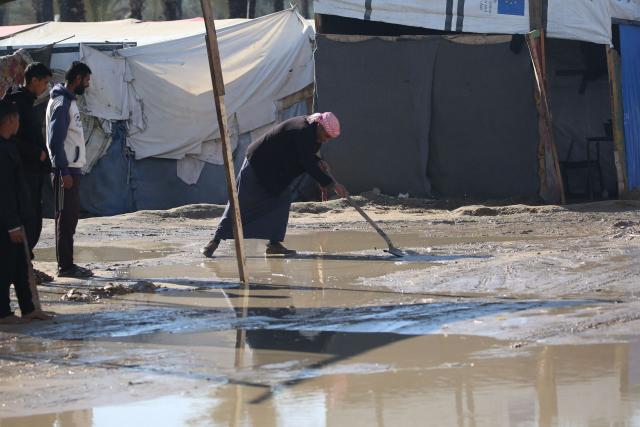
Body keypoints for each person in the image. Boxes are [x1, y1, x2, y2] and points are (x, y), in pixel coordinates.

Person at [201, 112, 348, 258]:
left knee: (282, 199)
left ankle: (274, 244)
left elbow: (303, 154)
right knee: (241, 203)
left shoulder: (312, 133)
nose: (326, 140)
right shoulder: (302, 130)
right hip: (258, 164)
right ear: (320, 126)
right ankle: (215, 241)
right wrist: (332, 184)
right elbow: (305, 161)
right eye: (327, 136)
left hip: (276, 171)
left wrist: (317, 162)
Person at [0, 100, 53, 323]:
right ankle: (3, 313)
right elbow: (4, 192)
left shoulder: (9, 145)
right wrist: (11, 224)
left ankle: (30, 308)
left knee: (22, 265)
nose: (19, 124)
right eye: (18, 119)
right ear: (11, 120)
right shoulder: (1, 151)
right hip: (6, 221)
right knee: (5, 267)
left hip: (18, 216)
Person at [46, 61, 93, 278]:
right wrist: (63, 171)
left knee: (70, 218)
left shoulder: (69, 101)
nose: (88, 84)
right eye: (87, 79)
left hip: (72, 169)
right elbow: (56, 141)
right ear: (78, 79)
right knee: (64, 219)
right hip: (65, 171)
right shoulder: (62, 102)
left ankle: (68, 264)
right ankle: (65, 267)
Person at [3, 63, 53, 261]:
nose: (45, 87)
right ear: (34, 80)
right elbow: (10, 136)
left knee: (34, 216)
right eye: (44, 82)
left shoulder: (27, 102)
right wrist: (35, 152)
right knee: (28, 217)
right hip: (25, 170)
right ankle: (21, 260)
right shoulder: (17, 104)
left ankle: (25, 259)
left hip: (33, 169)